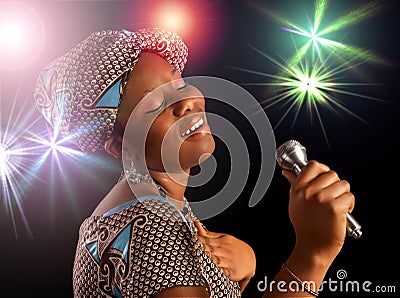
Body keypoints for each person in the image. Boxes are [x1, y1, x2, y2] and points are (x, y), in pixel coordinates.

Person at [34, 27, 355, 297]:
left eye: (178, 83)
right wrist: (311, 256)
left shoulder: (135, 210)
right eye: (155, 102)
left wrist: (244, 269)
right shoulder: (154, 236)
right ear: (120, 146)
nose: (185, 102)